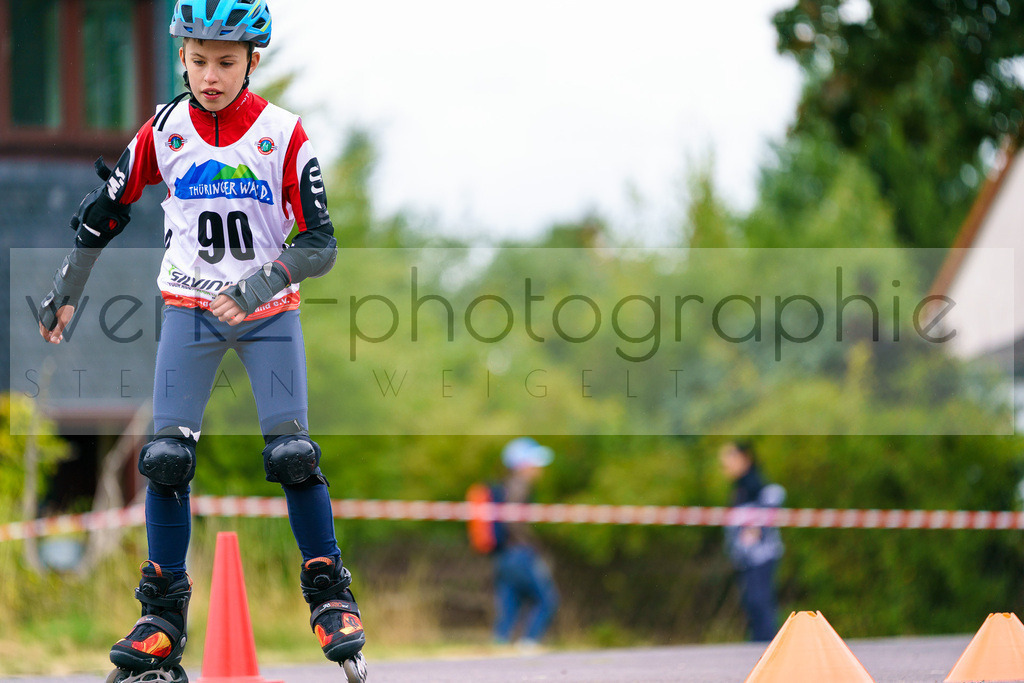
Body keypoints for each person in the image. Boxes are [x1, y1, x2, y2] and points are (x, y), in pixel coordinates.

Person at [36, 3, 366, 681]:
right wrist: (68, 287)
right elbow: (106, 209)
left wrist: (254, 286)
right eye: (198, 59)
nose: (210, 75)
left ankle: (330, 592)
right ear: (181, 55)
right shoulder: (165, 129)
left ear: (251, 61)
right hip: (188, 305)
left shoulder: (283, 136)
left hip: (267, 310)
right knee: (164, 458)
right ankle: (161, 616)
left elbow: (319, 243)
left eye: (226, 61)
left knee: (293, 454)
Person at [491, 437, 560, 649]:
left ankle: (499, 644)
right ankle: (529, 642)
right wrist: (530, 545)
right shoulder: (520, 487)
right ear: (522, 465)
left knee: (510, 603)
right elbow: (514, 523)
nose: (539, 468)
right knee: (547, 600)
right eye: (535, 463)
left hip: (504, 555)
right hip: (520, 554)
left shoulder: (506, 486)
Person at [719, 440, 785, 643]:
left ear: (744, 458)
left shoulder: (755, 483)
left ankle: (768, 645)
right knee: (752, 602)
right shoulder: (739, 487)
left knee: (760, 601)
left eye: (729, 459)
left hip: (761, 556)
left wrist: (755, 527)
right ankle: (760, 643)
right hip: (746, 558)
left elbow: (775, 495)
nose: (725, 466)